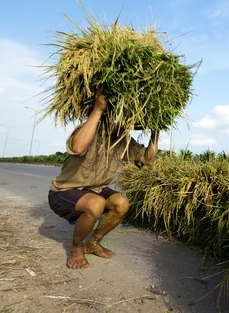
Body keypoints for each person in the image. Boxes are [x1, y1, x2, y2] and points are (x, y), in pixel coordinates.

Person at [47, 86, 159, 269]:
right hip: (64, 192)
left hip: (95, 190)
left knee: (121, 202)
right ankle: (77, 247)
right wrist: (98, 109)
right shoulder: (90, 130)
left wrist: (156, 130)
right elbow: (78, 148)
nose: (123, 127)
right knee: (96, 203)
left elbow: (147, 160)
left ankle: (93, 242)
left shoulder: (123, 140)